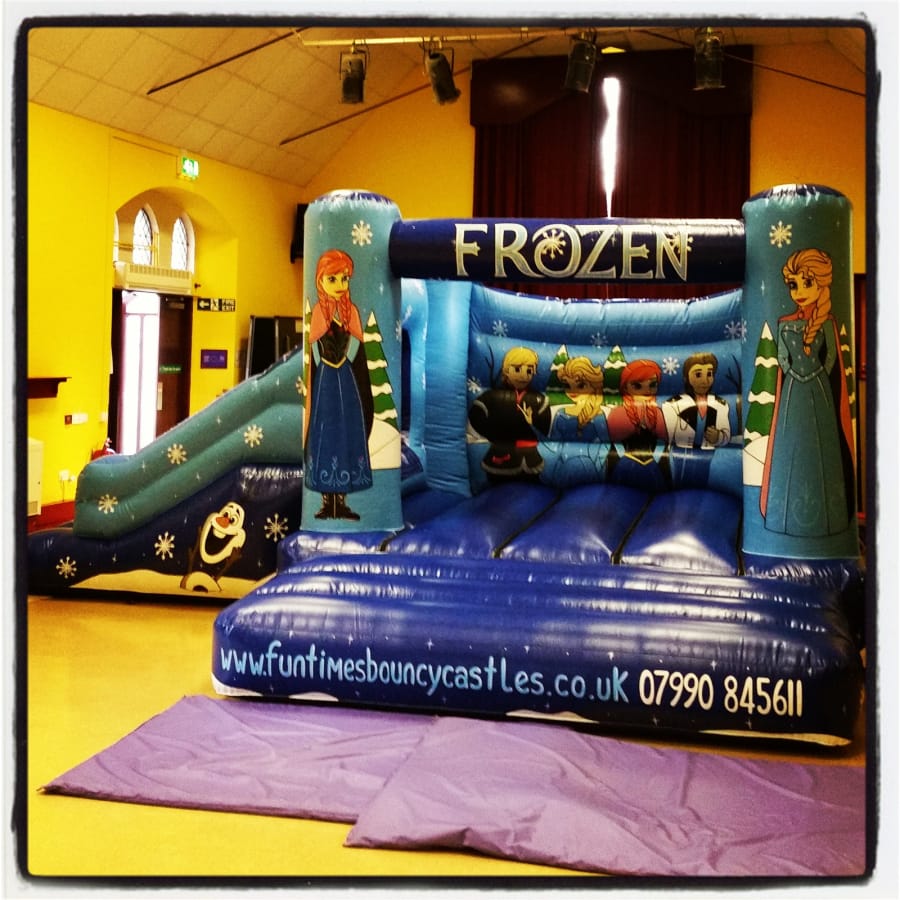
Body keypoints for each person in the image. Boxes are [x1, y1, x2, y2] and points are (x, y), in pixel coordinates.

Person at [760, 248, 855, 536]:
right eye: (794, 284)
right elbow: (782, 356)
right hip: (793, 391)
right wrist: (793, 373)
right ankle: (784, 518)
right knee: (791, 443)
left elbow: (830, 357)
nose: (799, 291)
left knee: (821, 445)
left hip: (818, 389)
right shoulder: (785, 324)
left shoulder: (826, 323)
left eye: (807, 283)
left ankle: (828, 518)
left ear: (821, 284)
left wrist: (815, 375)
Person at [304, 248, 373, 521]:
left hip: (344, 379)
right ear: (320, 280)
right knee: (325, 434)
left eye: (344, 278)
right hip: (326, 382)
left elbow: (357, 343)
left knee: (346, 431)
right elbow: (314, 347)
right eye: (332, 279)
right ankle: (326, 501)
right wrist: (322, 367)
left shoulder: (350, 312)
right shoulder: (319, 313)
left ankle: (341, 501)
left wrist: (347, 360)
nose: (340, 284)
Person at [468, 346, 551, 479]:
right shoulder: (492, 396)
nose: (524, 375)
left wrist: (532, 421)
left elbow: (546, 428)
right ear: (506, 371)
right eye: (517, 369)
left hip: (530, 457)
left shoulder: (538, 399)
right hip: (501, 456)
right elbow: (476, 415)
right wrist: (494, 433)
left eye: (529, 371)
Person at [662, 352, 731, 486]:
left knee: (703, 479)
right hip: (682, 453)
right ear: (686, 378)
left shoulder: (721, 405)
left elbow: (726, 433)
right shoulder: (673, 404)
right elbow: (668, 435)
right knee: (681, 481)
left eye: (709, 374)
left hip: (708, 453)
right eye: (698, 375)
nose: (705, 381)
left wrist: (718, 436)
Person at [605, 358, 671, 491]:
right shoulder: (619, 412)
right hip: (627, 464)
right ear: (625, 387)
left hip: (651, 465)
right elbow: (613, 438)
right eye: (637, 386)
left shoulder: (657, 412)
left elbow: (664, 439)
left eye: (652, 385)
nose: (646, 390)